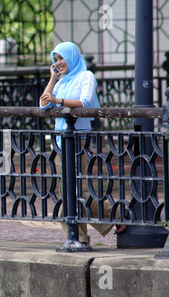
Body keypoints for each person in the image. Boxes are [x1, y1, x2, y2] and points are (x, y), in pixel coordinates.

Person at [39, 41, 126, 245]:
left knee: (76, 191)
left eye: (61, 58)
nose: (59, 63)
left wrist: (58, 101)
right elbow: (43, 105)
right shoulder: (61, 82)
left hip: (78, 141)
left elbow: (85, 102)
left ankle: (116, 215)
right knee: (66, 194)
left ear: (72, 57)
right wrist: (52, 79)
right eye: (56, 59)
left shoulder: (85, 76)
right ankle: (80, 238)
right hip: (60, 142)